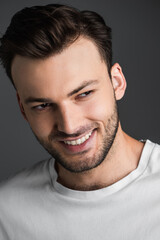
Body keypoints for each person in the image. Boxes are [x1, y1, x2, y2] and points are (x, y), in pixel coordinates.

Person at [0, 3, 160, 240]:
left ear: (117, 82)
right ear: (23, 109)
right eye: (43, 105)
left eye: (83, 94)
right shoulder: (6, 212)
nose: (69, 126)